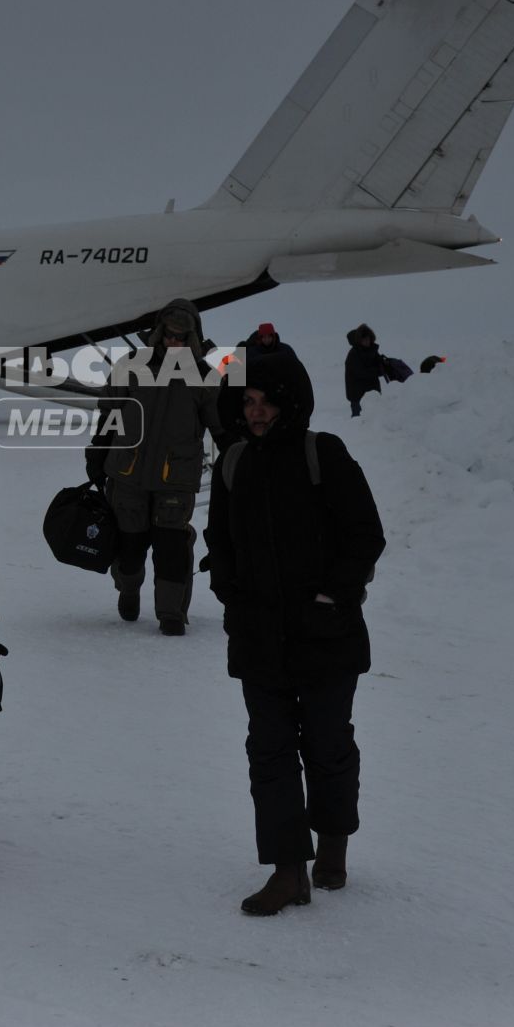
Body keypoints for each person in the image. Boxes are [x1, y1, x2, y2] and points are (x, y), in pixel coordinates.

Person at [206, 350, 385, 916]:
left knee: (328, 745)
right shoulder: (233, 460)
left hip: (326, 637)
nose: (256, 413)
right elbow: (221, 546)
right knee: (270, 751)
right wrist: (234, 599)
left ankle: (333, 845)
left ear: (291, 403)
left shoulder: (322, 453)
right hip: (260, 639)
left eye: (266, 402)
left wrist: (332, 596)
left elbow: (366, 534)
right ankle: (288, 870)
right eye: (248, 403)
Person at [86, 298, 226, 635]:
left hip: (175, 480)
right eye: (169, 335)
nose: (174, 343)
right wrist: (96, 453)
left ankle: (171, 614)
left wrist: (236, 463)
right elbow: (109, 412)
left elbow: (222, 429)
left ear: (193, 338)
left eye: (181, 337)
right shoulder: (131, 366)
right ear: (159, 333)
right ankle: (129, 589)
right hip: (127, 474)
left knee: (172, 548)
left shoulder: (206, 379)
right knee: (129, 548)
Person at [344, 325, 383, 417]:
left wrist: (384, 365)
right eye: (364, 339)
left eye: (368, 339)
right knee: (358, 423)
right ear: (359, 340)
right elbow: (360, 372)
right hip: (358, 395)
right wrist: (377, 371)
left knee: (376, 421)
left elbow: (380, 366)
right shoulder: (354, 354)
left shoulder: (373, 351)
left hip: (373, 393)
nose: (366, 341)